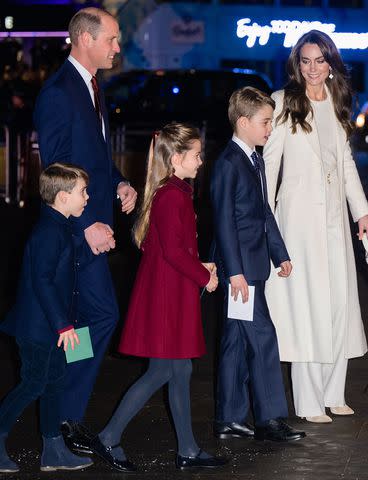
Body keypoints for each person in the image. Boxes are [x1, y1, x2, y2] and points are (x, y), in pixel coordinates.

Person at [89, 123, 227, 472]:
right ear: (177, 158)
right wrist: (203, 277)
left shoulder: (172, 191)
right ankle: (108, 437)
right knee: (162, 371)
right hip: (168, 299)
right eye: (196, 155)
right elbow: (173, 252)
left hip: (171, 294)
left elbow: (174, 247)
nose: (201, 161)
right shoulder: (171, 195)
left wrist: (200, 265)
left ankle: (188, 449)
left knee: (179, 370)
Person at [33, 7, 137, 452]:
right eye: (112, 39)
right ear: (84, 39)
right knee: (94, 318)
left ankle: (64, 418)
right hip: (74, 235)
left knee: (88, 322)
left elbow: (91, 156)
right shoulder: (59, 93)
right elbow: (55, 176)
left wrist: (119, 182)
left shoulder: (90, 88)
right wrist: (85, 227)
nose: (118, 47)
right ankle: (60, 419)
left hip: (89, 228)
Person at [263, 30, 368, 423]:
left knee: (339, 301)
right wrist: (266, 222)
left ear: (330, 63)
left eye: (319, 61)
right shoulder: (282, 102)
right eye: (305, 60)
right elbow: (269, 168)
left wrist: (362, 211)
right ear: (296, 63)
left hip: (334, 223)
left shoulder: (339, 102)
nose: (312, 68)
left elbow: (345, 164)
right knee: (304, 308)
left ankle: (334, 392)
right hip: (296, 223)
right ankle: (308, 402)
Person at [211, 86, 305, 442]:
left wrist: (279, 252)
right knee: (264, 339)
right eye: (266, 122)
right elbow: (222, 222)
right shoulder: (228, 164)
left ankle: (229, 418)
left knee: (236, 343)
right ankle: (269, 419)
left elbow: (263, 212)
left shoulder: (254, 159)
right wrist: (234, 271)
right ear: (244, 122)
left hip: (252, 268)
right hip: (242, 274)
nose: (270, 128)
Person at [0, 163, 93, 473]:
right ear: (63, 197)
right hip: (39, 328)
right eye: (83, 192)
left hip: (54, 328)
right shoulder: (49, 231)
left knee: (55, 383)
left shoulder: (60, 226)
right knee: (33, 384)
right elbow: (42, 280)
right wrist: (63, 324)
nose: (87, 197)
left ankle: (53, 450)